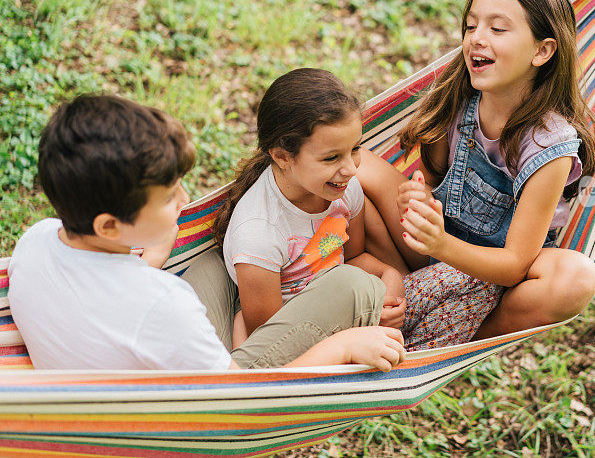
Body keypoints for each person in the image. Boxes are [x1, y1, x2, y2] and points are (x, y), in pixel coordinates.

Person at [8, 94, 405, 371]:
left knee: (214, 263)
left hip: (113, 374)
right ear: (109, 226)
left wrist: (153, 260)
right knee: (354, 286)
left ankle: (237, 341)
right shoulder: (163, 303)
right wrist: (343, 348)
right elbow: (237, 406)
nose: (184, 199)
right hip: (181, 418)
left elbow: (104, 298)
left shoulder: (35, 240)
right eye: (167, 197)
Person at [357, 0, 595, 348]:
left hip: (498, 275)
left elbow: (515, 264)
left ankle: (461, 341)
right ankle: (378, 279)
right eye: (471, 25)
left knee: (575, 279)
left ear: (542, 52)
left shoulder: (549, 147)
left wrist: (441, 246)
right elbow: (425, 182)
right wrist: (415, 199)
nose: (477, 37)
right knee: (353, 163)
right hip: (432, 252)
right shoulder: (458, 100)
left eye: (498, 28)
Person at [213, 68, 407, 347]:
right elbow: (272, 343)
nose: (351, 168)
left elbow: (353, 259)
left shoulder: (344, 190)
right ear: (282, 156)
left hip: (345, 306)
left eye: (355, 149)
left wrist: (391, 291)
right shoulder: (258, 235)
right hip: (299, 341)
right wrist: (356, 338)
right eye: (331, 158)